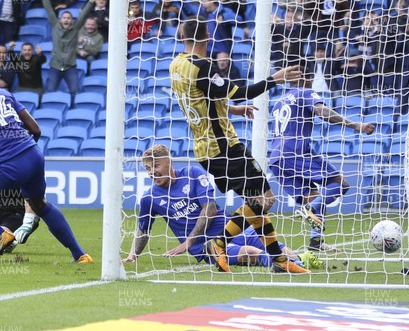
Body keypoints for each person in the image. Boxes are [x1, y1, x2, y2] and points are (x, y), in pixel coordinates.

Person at [169, 16, 307, 273]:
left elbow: (203, 98)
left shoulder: (176, 65)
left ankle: (278, 260)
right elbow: (242, 90)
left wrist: (233, 109)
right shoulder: (203, 66)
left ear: (182, 37)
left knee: (256, 203)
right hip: (225, 147)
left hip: (204, 150)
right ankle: (220, 242)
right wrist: (276, 78)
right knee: (265, 199)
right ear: (208, 36)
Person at [0, 55, 93, 262]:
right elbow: (35, 129)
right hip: (34, 156)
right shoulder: (3, 92)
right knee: (40, 204)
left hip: (9, 167)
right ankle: (80, 254)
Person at [122, 145, 324, 270]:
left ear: (169, 161)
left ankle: (302, 260)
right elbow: (143, 230)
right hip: (204, 245)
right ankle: (295, 264)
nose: (152, 172)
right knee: (249, 252)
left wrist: (187, 241)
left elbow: (209, 208)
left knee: (277, 247)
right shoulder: (150, 198)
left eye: (156, 166)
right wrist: (133, 255)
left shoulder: (191, 173)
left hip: (229, 226)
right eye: (148, 168)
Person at [269, 63, 375, 251]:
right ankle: (312, 210)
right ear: (308, 80)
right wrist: (354, 125)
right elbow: (322, 112)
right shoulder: (305, 92)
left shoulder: (279, 101)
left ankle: (315, 241)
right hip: (296, 150)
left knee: (314, 197)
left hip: (276, 159)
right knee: (340, 184)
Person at [40, 0, 95, 108]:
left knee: (74, 91)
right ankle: (50, 110)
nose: (66, 20)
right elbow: (49, 11)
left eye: (69, 18)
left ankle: (72, 110)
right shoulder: (55, 26)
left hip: (70, 67)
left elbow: (83, 15)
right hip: (55, 66)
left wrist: (91, 2)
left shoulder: (75, 28)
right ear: (60, 20)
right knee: (50, 91)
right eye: (64, 18)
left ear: (71, 21)